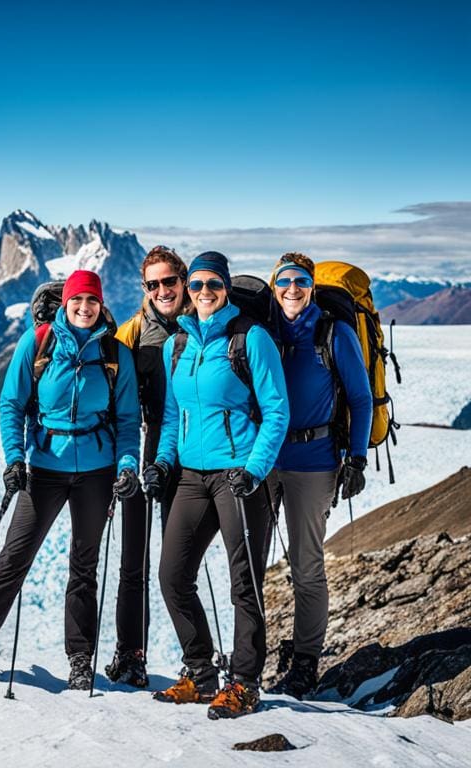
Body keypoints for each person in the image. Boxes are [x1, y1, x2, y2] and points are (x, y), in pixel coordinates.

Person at [0, 270, 142, 690]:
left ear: (102, 306)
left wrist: (126, 466)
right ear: (66, 302)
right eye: (77, 300)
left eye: (92, 301)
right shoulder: (39, 342)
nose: (85, 308)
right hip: (43, 469)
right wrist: (15, 459)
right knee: (13, 560)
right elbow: (11, 404)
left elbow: (127, 421)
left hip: (97, 474)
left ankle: (80, 659)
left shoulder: (116, 353)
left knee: (84, 567)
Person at [143, 251, 288, 719]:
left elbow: (276, 410)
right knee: (172, 575)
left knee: (243, 582)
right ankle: (201, 672)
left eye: (214, 285)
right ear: (189, 289)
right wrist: (164, 462)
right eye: (198, 285)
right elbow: (171, 416)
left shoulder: (252, 338)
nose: (205, 293)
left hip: (238, 477)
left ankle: (244, 682)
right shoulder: (177, 345)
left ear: (225, 288)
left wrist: (254, 470)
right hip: (189, 476)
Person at [266, 253, 372, 700]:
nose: (293, 289)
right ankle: (250, 657)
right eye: (285, 281)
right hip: (267, 459)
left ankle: (305, 661)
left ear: (312, 287)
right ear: (274, 288)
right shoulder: (265, 333)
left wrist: (357, 457)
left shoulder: (334, 333)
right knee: (249, 562)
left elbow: (361, 398)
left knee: (306, 566)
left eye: (301, 281)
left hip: (314, 463)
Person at [104, 246, 189, 688]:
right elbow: (113, 397)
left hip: (187, 456)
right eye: (152, 284)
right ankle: (131, 654)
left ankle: (196, 660)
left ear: (183, 280)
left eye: (168, 282)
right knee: (132, 563)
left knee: (178, 567)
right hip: (138, 455)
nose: (161, 291)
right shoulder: (132, 332)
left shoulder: (203, 325)